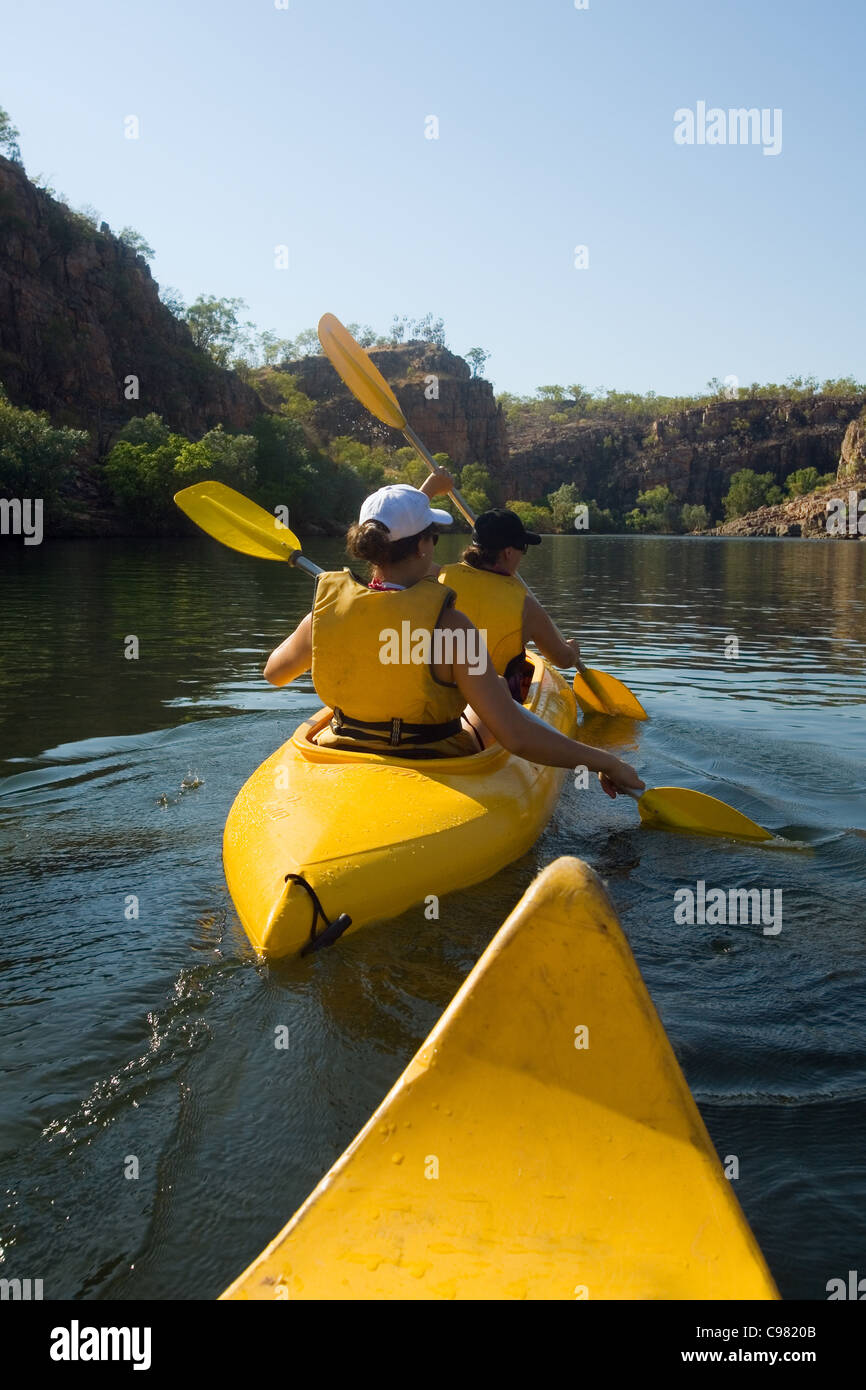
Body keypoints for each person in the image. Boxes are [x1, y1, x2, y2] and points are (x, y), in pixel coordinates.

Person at [263, 476, 643, 798]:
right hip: (430, 757)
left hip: (342, 747)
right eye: (433, 537)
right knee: (486, 696)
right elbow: (515, 736)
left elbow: (274, 674)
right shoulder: (452, 627)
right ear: (422, 546)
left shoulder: (323, 614)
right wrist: (604, 761)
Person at [436, 504, 584, 702]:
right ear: (508, 552)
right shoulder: (525, 606)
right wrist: (573, 650)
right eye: (523, 547)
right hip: (494, 709)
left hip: (438, 698)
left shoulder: (439, 576)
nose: (522, 554)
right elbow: (562, 659)